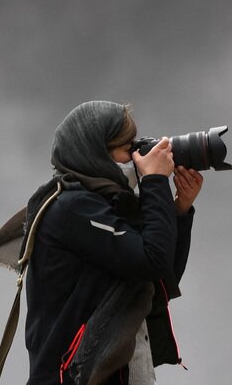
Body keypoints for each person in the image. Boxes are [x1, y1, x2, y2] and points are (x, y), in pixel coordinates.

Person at [19, 100, 204, 385]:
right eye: (127, 149)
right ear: (96, 153)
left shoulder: (106, 206)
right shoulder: (74, 208)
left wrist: (178, 211)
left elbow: (159, 282)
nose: (135, 157)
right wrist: (154, 181)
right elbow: (150, 261)